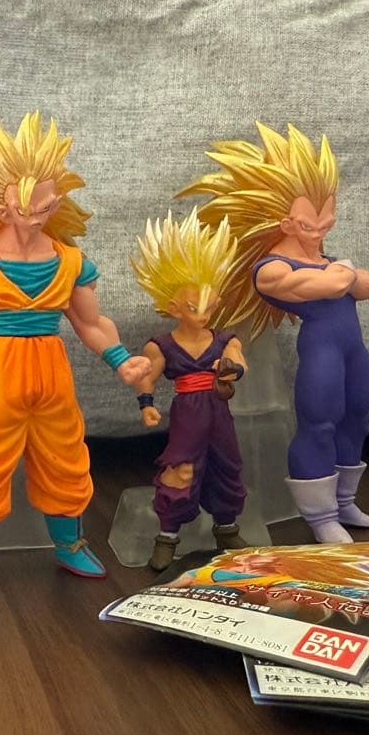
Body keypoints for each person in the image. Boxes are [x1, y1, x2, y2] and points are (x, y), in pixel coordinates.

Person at [0, 106, 150, 597]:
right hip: (2, 374)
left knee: (65, 459)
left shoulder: (70, 261)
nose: (38, 218)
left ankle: (70, 545)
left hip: (53, 375)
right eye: (27, 210)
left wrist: (121, 359)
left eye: (47, 207)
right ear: (2, 209)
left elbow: (90, 322)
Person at [177, 123, 369, 543]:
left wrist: (341, 273)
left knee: (357, 415)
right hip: (322, 352)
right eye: (309, 224)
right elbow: (335, 284)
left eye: (327, 220)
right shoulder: (271, 268)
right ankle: (321, 515)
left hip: (352, 351)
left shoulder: (325, 259)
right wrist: (343, 272)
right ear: (283, 221)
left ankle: (345, 500)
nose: (320, 231)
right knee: (319, 422)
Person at [129, 209, 249, 571]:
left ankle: (226, 529)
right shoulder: (162, 345)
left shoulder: (224, 339)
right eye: (194, 307)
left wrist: (230, 369)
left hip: (219, 414)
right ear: (173, 308)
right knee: (180, 470)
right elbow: (147, 375)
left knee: (226, 468)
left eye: (209, 306)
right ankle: (167, 536)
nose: (204, 314)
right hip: (188, 415)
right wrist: (146, 403)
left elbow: (239, 361)